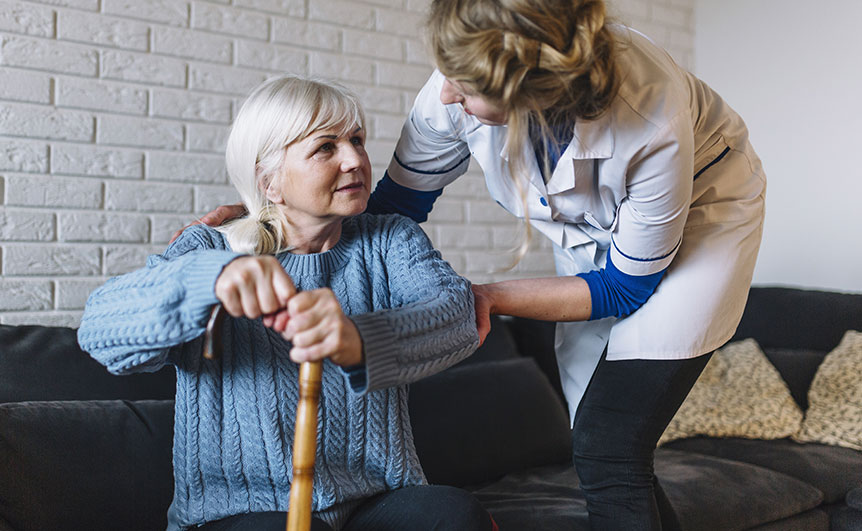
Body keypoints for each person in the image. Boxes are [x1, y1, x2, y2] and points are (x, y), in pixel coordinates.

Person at [187, 1, 767, 529]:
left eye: (463, 87)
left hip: (703, 215)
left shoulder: (651, 119)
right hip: (602, 241)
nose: (444, 94)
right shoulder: (452, 86)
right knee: (605, 444)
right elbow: (395, 206)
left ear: (528, 90)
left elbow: (623, 287)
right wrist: (271, 211)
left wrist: (488, 296)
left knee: (608, 441)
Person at [78, 75, 496, 531]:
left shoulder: (388, 239)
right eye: (326, 148)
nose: (355, 160)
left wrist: (358, 339)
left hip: (373, 502)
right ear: (269, 180)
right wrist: (209, 280)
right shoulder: (209, 248)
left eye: (356, 140)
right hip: (240, 511)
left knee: (452, 515)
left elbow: (457, 313)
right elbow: (100, 331)